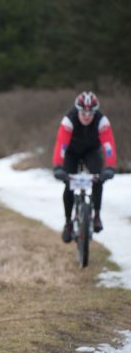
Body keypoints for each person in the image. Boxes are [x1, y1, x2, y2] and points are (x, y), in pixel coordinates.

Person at [52, 91, 117, 243]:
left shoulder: (102, 121)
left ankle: (97, 216)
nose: (87, 116)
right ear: (77, 110)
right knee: (68, 183)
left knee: (98, 178)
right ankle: (68, 222)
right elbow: (61, 145)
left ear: (95, 112)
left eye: (90, 113)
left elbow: (108, 146)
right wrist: (57, 166)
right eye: (83, 112)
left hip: (91, 151)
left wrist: (110, 167)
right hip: (71, 152)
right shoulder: (69, 120)